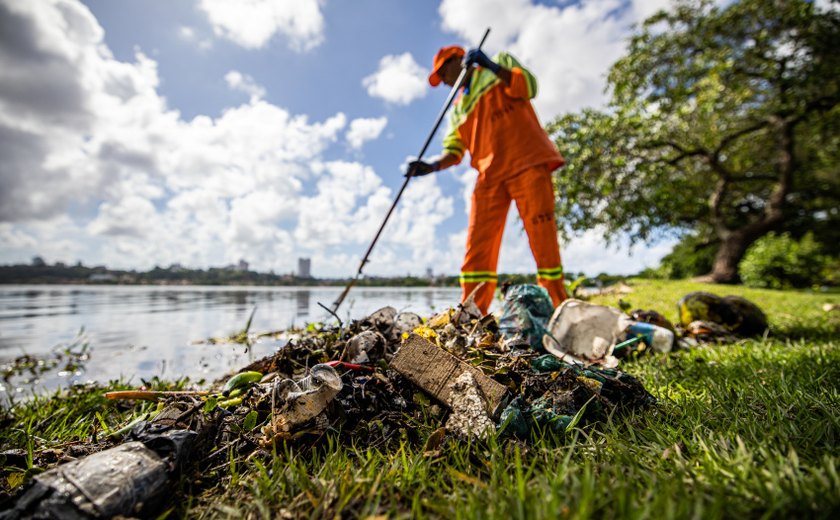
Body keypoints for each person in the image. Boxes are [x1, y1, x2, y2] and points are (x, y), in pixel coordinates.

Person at [408, 45, 569, 314]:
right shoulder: (458, 107)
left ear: (458, 60)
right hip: (489, 176)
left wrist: (492, 66)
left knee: (543, 240)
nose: (445, 82)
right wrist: (431, 166)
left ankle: (559, 307)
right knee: (477, 246)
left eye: (443, 73)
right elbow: (455, 150)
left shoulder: (498, 65)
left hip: (527, 161)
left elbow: (528, 86)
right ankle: (472, 313)